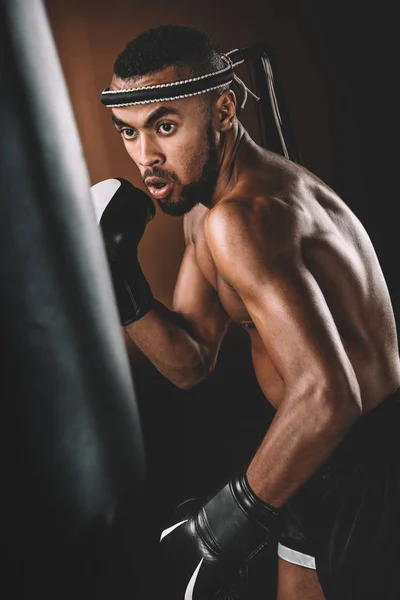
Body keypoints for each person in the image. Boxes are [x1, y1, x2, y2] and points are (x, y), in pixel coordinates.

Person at [92, 24, 400, 600]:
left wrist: (221, 529)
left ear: (225, 109)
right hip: (309, 451)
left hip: (369, 463)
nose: (146, 158)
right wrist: (120, 280)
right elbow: (190, 360)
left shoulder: (245, 217)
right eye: (129, 133)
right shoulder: (204, 211)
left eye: (164, 126)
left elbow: (331, 396)